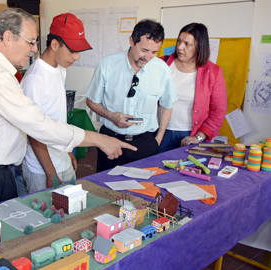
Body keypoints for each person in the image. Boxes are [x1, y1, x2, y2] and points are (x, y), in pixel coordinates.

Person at [0, 8, 136, 206]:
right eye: (30, 42)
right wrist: (99, 139)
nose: (34, 49)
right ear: (8, 37)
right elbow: (39, 125)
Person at [86, 19, 177, 172]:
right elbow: (91, 101)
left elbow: (167, 105)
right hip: (110, 141)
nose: (148, 57)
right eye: (144, 50)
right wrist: (112, 116)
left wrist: (158, 139)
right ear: (131, 41)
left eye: (154, 52)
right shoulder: (107, 65)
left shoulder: (162, 70)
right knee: (104, 191)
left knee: (144, 193)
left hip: (145, 144)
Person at [21, 13, 92, 193]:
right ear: (54, 44)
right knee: (45, 217)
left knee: (72, 211)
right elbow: (34, 131)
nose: (76, 57)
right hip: (42, 169)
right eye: (72, 51)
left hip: (62, 161)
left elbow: (58, 118)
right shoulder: (35, 80)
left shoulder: (60, 69)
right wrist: (50, 172)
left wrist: (68, 151)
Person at [158, 23, 227, 152]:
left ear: (199, 46)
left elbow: (218, 111)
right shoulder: (161, 64)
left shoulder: (213, 72)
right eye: (179, 41)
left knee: (186, 170)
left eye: (187, 44)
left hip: (191, 135)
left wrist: (199, 137)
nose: (180, 47)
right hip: (160, 133)